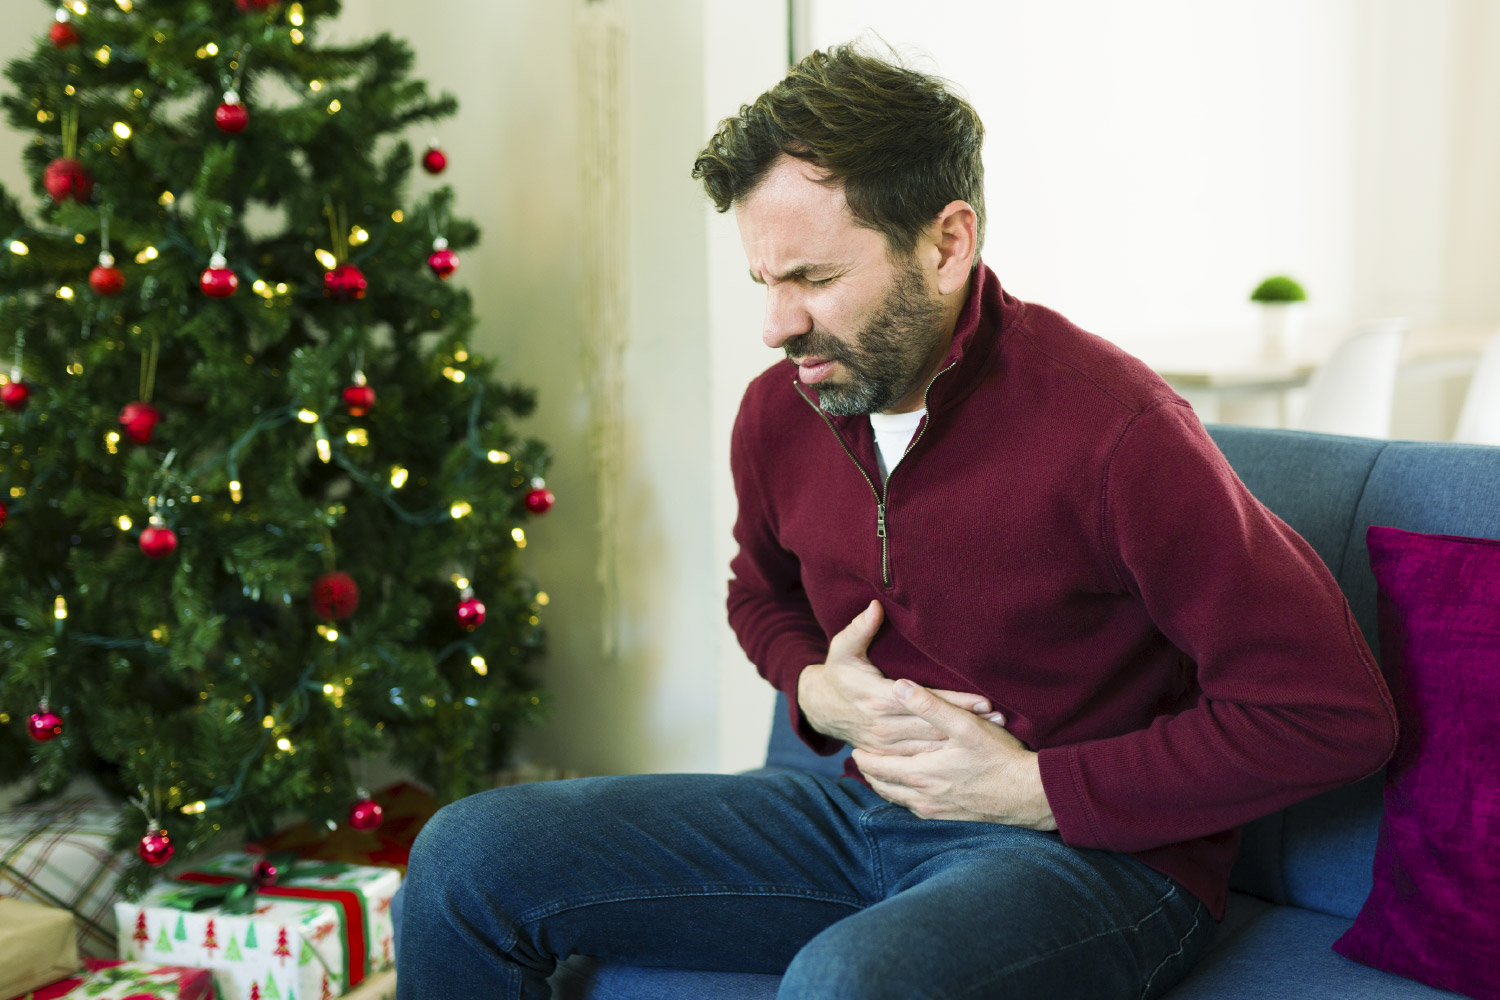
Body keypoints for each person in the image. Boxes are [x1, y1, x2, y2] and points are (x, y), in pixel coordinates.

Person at [395, 44, 1397, 999]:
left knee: (852, 983)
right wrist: (817, 689)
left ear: (947, 242)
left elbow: (1334, 714)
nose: (776, 325)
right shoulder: (779, 409)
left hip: (1097, 861)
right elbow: (760, 596)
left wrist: (1036, 787)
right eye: (765, 280)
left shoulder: (1119, 431)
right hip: (854, 813)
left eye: (817, 280)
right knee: (464, 856)